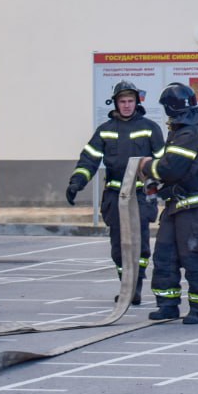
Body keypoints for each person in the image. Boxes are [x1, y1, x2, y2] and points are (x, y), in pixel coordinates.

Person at [66, 80, 164, 306]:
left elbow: (163, 162)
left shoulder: (150, 128)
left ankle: (135, 287)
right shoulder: (105, 130)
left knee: (139, 243)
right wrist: (76, 183)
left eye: (130, 101)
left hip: (141, 195)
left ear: (137, 102)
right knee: (119, 246)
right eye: (123, 101)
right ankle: (126, 286)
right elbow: (89, 160)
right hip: (115, 195)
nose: (127, 105)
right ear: (116, 103)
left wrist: (163, 191)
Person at [140, 82, 198, 325]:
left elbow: (170, 168)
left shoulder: (188, 133)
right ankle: (167, 305)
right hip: (178, 204)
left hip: (197, 207)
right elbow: (176, 171)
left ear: (170, 109)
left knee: (194, 257)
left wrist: (145, 167)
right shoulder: (183, 129)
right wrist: (160, 187)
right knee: (165, 255)